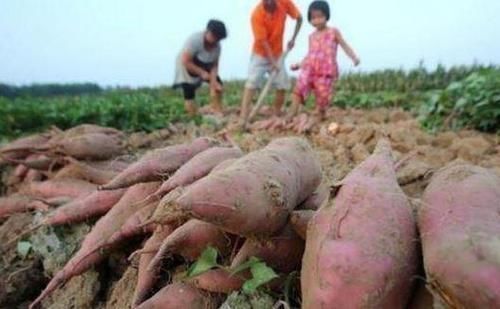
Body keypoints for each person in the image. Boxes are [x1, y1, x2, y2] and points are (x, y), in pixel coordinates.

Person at [288, 0, 360, 121]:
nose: (317, 20)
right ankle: (291, 115)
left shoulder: (333, 32)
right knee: (299, 87)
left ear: (326, 15)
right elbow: (310, 54)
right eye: (313, 17)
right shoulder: (311, 36)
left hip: (325, 71)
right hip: (310, 68)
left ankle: (321, 115)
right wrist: (299, 65)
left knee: (322, 97)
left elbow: (344, 45)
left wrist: (354, 57)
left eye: (320, 16)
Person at [239, 0, 303, 126]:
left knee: (282, 84)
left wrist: (293, 38)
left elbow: (299, 19)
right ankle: (243, 116)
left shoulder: (284, 3)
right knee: (252, 82)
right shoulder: (256, 15)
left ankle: (276, 113)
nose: (269, 2)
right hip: (260, 54)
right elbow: (263, 41)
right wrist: (273, 62)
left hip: (278, 53)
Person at [173, 19, 227, 116]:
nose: (216, 41)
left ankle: (217, 109)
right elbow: (186, 61)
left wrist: (213, 81)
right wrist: (201, 73)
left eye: (218, 39)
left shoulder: (217, 46)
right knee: (189, 88)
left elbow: (214, 65)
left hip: (204, 62)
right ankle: (192, 115)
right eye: (214, 37)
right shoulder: (194, 40)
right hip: (187, 63)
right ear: (207, 31)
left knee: (218, 84)